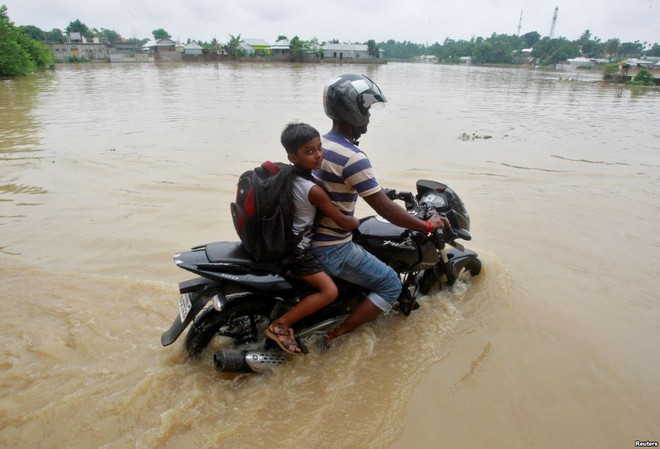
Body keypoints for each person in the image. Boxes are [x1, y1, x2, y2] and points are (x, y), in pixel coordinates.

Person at [311, 73, 450, 346]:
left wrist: (378, 190)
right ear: (354, 110)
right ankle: (334, 336)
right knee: (390, 285)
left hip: (308, 236)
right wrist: (427, 225)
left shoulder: (317, 145)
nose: (370, 116)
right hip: (331, 246)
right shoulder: (353, 157)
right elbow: (386, 211)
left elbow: (336, 185)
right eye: (367, 108)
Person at [265, 122, 360, 355]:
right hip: (298, 252)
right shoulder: (313, 190)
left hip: (281, 242)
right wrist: (357, 221)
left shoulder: (287, 175)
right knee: (330, 292)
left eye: (319, 148)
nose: (318, 155)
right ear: (293, 157)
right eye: (309, 151)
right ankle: (281, 325)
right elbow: (343, 221)